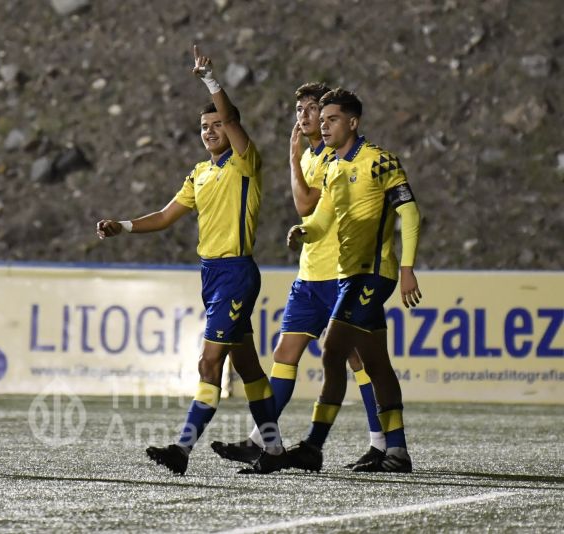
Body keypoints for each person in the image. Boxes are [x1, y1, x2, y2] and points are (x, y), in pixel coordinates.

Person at [97, 46, 289, 475]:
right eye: (204, 126)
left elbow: (233, 118)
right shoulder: (200, 173)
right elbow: (165, 217)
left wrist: (209, 80)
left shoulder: (244, 162)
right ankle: (274, 450)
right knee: (248, 366)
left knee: (208, 362)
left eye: (216, 124)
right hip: (211, 275)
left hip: (236, 272)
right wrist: (123, 226)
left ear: (230, 127)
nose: (209, 131)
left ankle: (182, 449)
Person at [210, 83, 387, 469]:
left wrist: (292, 159)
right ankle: (263, 439)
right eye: (300, 110)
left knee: (359, 364)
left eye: (312, 110)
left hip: (339, 275)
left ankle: (381, 444)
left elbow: (306, 204)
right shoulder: (311, 157)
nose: (304, 117)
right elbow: (308, 214)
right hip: (310, 275)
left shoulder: (330, 158)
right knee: (285, 354)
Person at [286, 88, 422, 473]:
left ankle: (313, 445)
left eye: (331, 119)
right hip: (350, 276)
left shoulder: (380, 162)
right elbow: (324, 219)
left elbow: (410, 215)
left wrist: (407, 268)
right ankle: (395, 451)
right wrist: (304, 230)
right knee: (377, 364)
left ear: (353, 122)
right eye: (322, 119)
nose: (323, 126)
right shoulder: (332, 167)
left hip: (374, 273)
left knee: (332, 350)